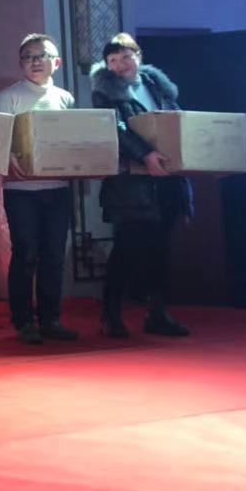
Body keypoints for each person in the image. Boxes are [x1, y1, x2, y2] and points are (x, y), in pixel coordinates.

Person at [90, 33, 192, 338]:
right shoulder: (104, 92)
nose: (119, 64)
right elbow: (116, 128)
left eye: (125, 57)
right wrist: (144, 154)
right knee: (126, 248)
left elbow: (176, 123)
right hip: (130, 185)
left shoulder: (157, 86)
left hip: (167, 181)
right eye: (112, 60)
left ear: (139, 56)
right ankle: (111, 315)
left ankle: (158, 313)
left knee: (161, 249)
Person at [0, 34, 79, 345]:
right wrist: (7, 156)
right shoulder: (7, 98)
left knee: (54, 254)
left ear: (57, 62)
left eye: (42, 56)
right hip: (21, 191)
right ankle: (23, 320)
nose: (35, 61)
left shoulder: (66, 99)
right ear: (21, 64)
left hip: (58, 188)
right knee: (25, 253)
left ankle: (51, 319)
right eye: (28, 57)